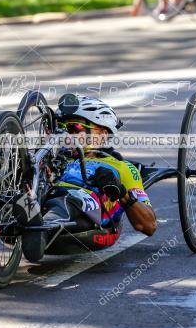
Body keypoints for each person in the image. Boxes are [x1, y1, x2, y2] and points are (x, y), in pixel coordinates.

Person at [14, 94, 157, 262]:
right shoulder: (54, 158)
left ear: (102, 134)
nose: (66, 135)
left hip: (84, 210)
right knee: (22, 194)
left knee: (69, 199)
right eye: (61, 128)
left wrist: (120, 191)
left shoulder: (121, 167)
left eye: (74, 129)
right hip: (43, 197)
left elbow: (149, 226)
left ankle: (39, 228)